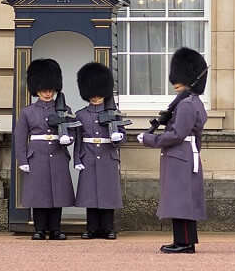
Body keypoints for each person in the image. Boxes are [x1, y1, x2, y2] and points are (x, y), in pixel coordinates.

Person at [136, 47, 208, 254]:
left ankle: (184, 243)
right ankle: (183, 240)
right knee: (181, 199)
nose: (175, 82)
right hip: (184, 155)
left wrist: (149, 138)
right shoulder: (190, 102)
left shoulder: (186, 105)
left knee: (181, 200)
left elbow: (177, 135)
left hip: (180, 155)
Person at [13, 58, 75, 240]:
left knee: (57, 193)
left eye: (50, 89)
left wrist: (67, 139)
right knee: (39, 194)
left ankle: (55, 229)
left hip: (57, 153)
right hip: (36, 155)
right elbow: (20, 137)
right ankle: (39, 229)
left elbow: (72, 131)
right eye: (44, 90)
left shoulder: (64, 109)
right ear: (36, 90)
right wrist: (22, 160)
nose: (48, 93)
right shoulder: (27, 112)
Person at [73, 62, 125, 240]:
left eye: (98, 93)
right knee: (90, 195)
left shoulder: (114, 113)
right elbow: (78, 140)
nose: (95, 97)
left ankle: (108, 228)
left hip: (107, 156)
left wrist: (118, 138)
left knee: (107, 194)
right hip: (88, 156)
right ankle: (92, 228)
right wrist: (77, 160)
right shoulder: (81, 114)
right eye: (92, 94)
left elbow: (122, 135)